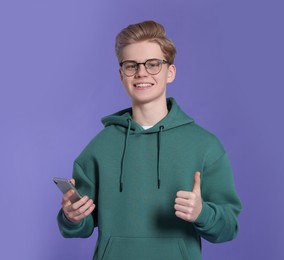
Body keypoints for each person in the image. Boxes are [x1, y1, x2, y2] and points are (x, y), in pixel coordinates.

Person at [57, 20, 242, 260]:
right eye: (131, 65)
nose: (141, 72)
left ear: (170, 72)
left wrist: (202, 212)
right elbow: (79, 225)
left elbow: (228, 229)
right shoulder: (99, 147)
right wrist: (72, 217)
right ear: (121, 74)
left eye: (153, 64)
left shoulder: (206, 146)